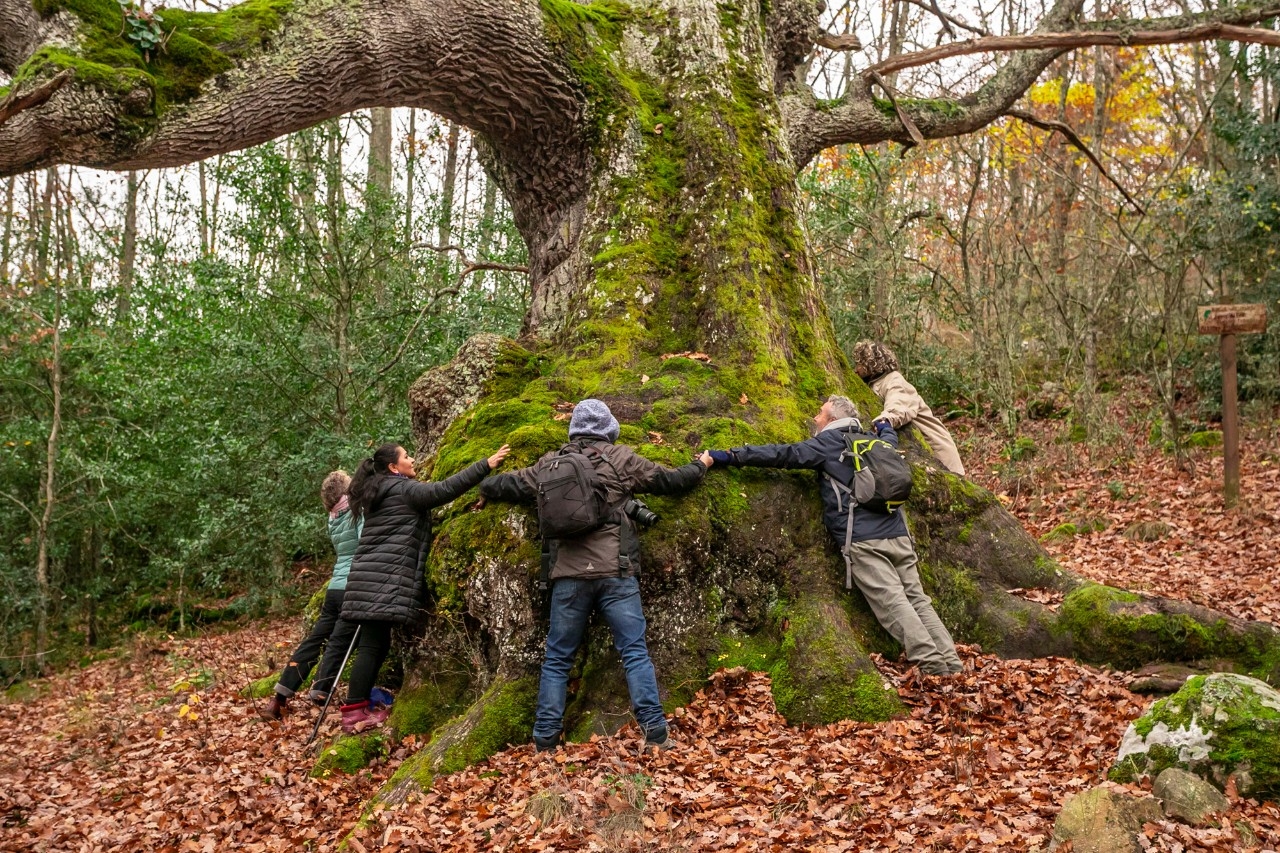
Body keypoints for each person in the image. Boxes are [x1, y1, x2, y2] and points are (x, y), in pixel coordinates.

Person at [479, 399, 713, 752]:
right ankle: (656, 734)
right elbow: (672, 481)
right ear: (609, 429)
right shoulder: (621, 459)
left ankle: (544, 742)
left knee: (558, 659)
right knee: (634, 651)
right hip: (615, 571)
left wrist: (485, 483)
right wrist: (702, 464)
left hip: (568, 577)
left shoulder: (548, 464)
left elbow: (504, 486)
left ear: (574, 429)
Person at [708, 395, 962, 675]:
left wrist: (729, 455)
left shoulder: (827, 444)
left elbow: (781, 454)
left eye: (820, 413)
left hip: (864, 540)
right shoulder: (873, 440)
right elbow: (890, 440)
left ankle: (935, 668)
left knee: (893, 603)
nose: (815, 418)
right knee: (917, 598)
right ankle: (952, 664)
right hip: (898, 534)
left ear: (831, 420)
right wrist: (886, 427)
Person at [337, 441, 510, 733]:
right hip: (381, 580)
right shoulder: (403, 489)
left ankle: (359, 704)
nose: (413, 459)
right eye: (407, 456)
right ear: (394, 467)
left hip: (370, 577)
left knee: (374, 645)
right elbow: (442, 490)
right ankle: (354, 711)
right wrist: (486, 464)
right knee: (371, 647)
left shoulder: (379, 492)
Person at [260, 470, 363, 722]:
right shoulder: (356, 511)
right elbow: (365, 543)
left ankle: (281, 695)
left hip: (335, 588)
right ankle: (320, 690)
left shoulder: (332, 517)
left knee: (313, 640)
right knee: (339, 641)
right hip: (353, 585)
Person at [851, 340, 965, 476]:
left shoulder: (894, 380)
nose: (855, 369)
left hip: (936, 447)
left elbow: (899, 404)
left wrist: (886, 420)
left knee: (950, 485)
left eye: (859, 364)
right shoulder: (876, 383)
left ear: (869, 364)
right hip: (928, 450)